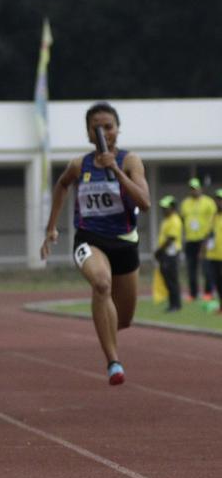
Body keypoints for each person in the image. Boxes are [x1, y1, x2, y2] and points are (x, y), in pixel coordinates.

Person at [40, 102, 151, 385]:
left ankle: (108, 331)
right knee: (101, 284)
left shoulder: (130, 161)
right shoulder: (80, 165)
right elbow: (62, 185)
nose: (104, 132)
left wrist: (116, 170)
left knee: (123, 320)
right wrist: (51, 227)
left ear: (118, 130)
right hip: (90, 239)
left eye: (108, 126)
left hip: (125, 243)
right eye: (97, 127)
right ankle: (113, 363)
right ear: (89, 133)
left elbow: (145, 203)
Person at [181, 177, 217, 301]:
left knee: (206, 267)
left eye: (195, 188)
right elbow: (183, 219)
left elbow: (214, 220)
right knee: (191, 268)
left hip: (204, 239)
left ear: (200, 188)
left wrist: (209, 236)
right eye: (191, 189)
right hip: (190, 240)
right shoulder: (185, 203)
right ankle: (193, 293)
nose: (193, 191)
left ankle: (208, 292)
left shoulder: (208, 202)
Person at [155, 196, 183, 313]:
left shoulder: (174, 220)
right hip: (165, 254)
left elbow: (171, 238)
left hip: (170, 254)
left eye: (166, 208)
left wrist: (159, 250)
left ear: (172, 208)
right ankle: (173, 304)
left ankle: (175, 305)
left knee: (172, 280)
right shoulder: (167, 219)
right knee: (168, 280)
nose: (163, 210)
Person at [207, 189, 222, 312]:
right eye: (218, 199)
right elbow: (209, 234)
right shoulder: (214, 216)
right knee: (218, 282)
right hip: (214, 255)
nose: (219, 202)